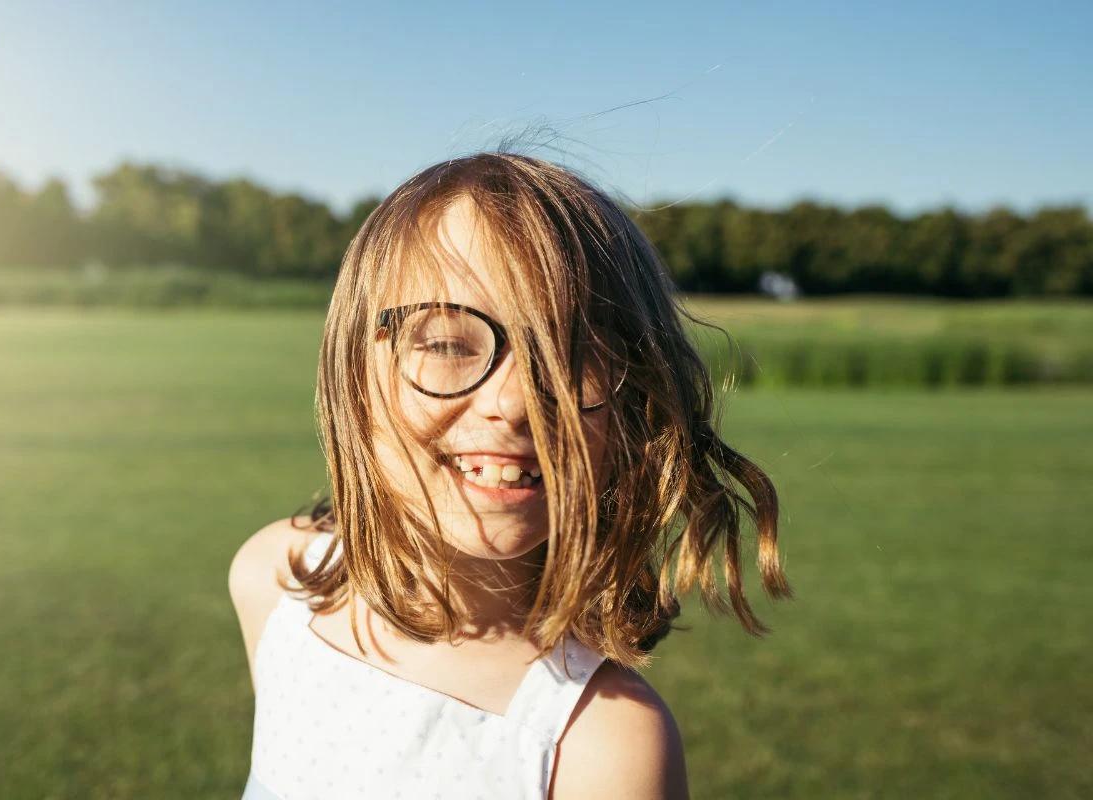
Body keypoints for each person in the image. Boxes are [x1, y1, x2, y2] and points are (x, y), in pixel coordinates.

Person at [229, 150, 793, 799]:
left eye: (573, 354)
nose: (515, 400)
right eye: (445, 343)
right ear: (351, 370)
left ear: (636, 406)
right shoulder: (275, 582)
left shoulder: (603, 744)